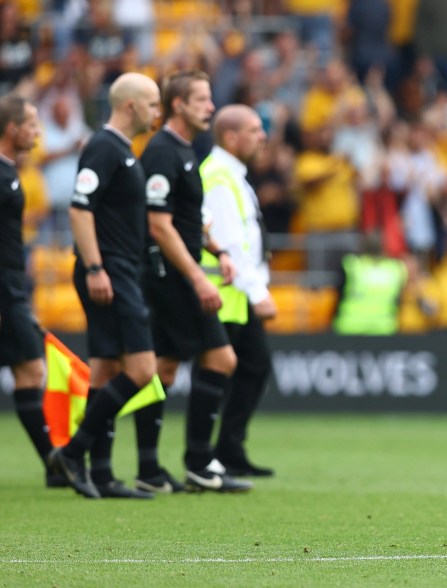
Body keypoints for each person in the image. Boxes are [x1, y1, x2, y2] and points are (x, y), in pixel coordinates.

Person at [47, 73, 162, 499]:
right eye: (153, 103)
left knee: (107, 370)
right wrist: (96, 268)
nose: (158, 111)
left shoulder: (124, 151)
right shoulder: (103, 146)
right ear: (131, 105)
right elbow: (80, 209)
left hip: (119, 269)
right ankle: (74, 453)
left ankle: (104, 473)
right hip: (108, 270)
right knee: (142, 370)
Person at [140, 72, 251, 493]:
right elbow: (159, 225)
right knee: (222, 360)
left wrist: (218, 251)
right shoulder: (164, 152)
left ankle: (149, 469)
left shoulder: (186, 151)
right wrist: (199, 279)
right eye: (202, 99)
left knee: (163, 369)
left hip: (175, 273)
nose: (211, 106)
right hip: (171, 276)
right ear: (178, 105)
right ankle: (200, 463)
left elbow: (189, 219)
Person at [199, 103, 277, 477]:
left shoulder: (233, 174)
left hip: (234, 293)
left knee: (253, 366)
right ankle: (203, 456)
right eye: (255, 130)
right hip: (222, 291)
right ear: (231, 137)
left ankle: (227, 450)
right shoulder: (217, 176)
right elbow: (228, 241)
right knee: (219, 372)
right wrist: (258, 291)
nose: (263, 136)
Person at [0, 93, 65, 488]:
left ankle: (55, 465)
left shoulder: (12, 171)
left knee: (30, 368)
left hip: (12, 285)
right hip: (4, 288)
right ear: (12, 129)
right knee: (31, 368)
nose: (38, 133)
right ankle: (56, 464)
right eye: (32, 125)